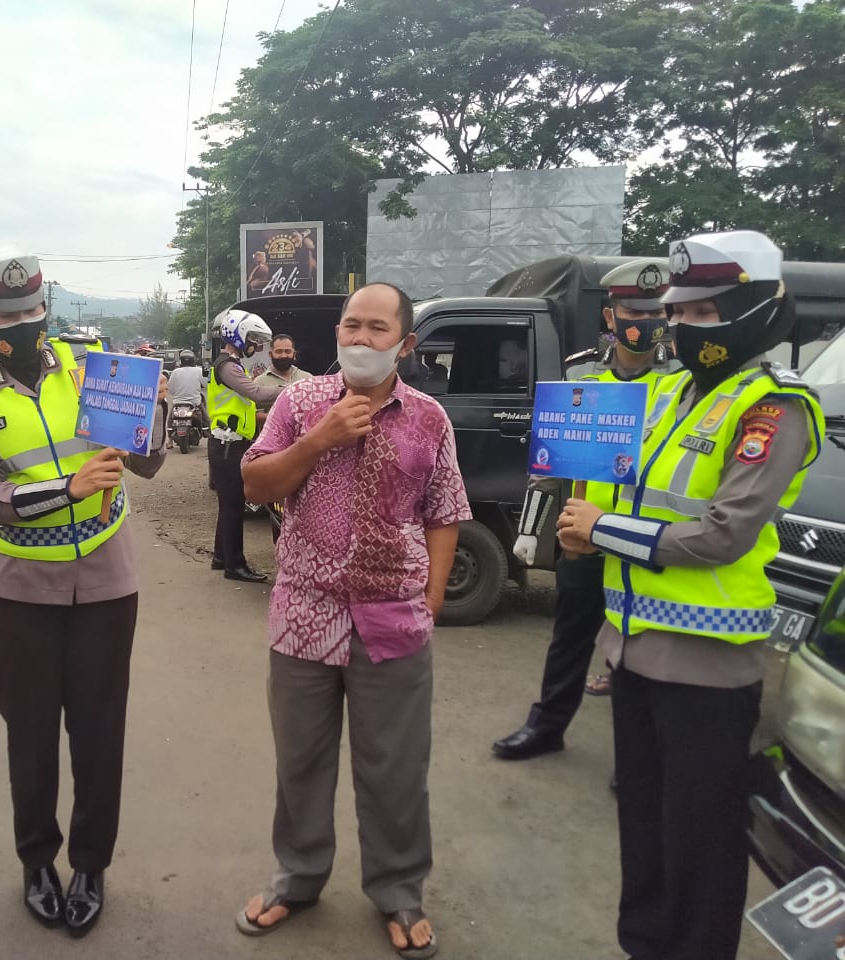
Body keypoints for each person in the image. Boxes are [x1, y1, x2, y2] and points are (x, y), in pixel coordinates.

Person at [557, 230, 825, 960]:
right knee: (643, 825)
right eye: (680, 312)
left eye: (704, 313)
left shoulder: (776, 408)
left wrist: (603, 529)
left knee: (701, 841)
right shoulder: (671, 392)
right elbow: (622, 480)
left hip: (709, 665)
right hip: (635, 649)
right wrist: (579, 519)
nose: (682, 327)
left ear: (756, 310)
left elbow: (722, 535)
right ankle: (644, 946)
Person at [0, 244, 167, 939]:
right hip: (18, 592)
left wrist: (148, 414)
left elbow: (150, 463)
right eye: (7, 316)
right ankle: (37, 862)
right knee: (30, 735)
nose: (25, 325)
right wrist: (67, 487)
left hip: (105, 579)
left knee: (99, 733)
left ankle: (91, 866)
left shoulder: (92, 368)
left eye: (34, 310)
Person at [237, 282, 472, 960]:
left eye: (376, 328)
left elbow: (445, 512)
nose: (361, 339)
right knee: (301, 762)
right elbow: (257, 485)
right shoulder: (298, 402)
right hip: (303, 616)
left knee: (395, 767)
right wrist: (320, 439)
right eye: (351, 326)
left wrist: (428, 601)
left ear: (405, 343)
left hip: (393, 621)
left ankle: (399, 889)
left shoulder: (429, 418)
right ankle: (299, 877)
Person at [492, 259, 673, 761]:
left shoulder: (683, 383)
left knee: (640, 655)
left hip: (646, 543)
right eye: (633, 311)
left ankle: (638, 757)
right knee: (569, 640)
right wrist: (531, 528)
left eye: (655, 311)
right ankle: (547, 727)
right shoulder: (581, 373)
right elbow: (550, 458)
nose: (645, 322)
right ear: (611, 317)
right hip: (583, 536)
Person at [207, 309, 281, 582]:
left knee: (228, 503)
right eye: (253, 339)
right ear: (237, 336)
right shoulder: (228, 366)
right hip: (227, 445)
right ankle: (234, 566)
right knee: (234, 505)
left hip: (230, 442)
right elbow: (256, 393)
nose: (257, 346)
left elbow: (246, 406)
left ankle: (220, 557)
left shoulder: (234, 364)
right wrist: (293, 390)